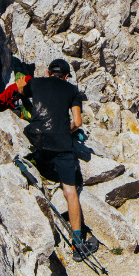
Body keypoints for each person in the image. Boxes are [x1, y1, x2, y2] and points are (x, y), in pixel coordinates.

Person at [20, 58, 95, 262]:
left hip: (37, 139)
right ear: (67, 76)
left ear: (47, 71)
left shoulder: (36, 82)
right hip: (61, 144)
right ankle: (77, 242)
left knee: (43, 156)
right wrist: (64, 131)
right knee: (70, 191)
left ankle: (35, 165)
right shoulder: (73, 91)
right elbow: (78, 122)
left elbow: (20, 91)